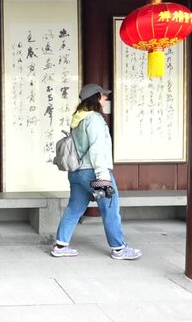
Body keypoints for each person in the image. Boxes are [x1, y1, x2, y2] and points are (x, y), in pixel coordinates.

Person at [50, 83, 142, 260]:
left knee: (75, 207)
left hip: (76, 172)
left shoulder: (77, 118)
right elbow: (97, 150)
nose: (106, 98)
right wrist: (103, 178)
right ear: (96, 97)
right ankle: (119, 248)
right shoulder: (94, 119)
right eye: (104, 95)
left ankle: (60, 245)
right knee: (110, 206)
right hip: (92, 172)